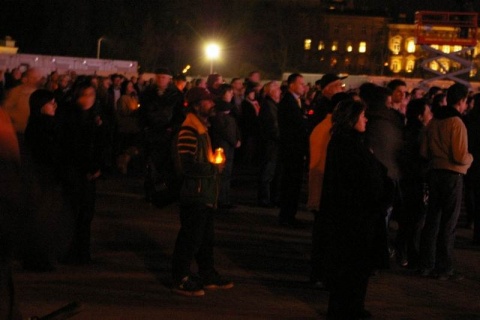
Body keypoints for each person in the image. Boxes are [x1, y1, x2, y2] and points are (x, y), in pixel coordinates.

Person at [320, 100, 390, 320]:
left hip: (357, 215)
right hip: (354, 217)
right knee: (351, 267)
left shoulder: (350, 142)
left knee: (355, 268)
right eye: (362, 116)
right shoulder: (347, 145)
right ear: (351, 119)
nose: (366, 120)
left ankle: (352, 307)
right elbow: (360, 180)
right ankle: (346, 309)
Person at [171, 87, 233, 297]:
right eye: (207, 102)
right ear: (197, 105)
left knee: (206, 239)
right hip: (194, 194)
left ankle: (207, 273)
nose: (212, 104)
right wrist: (214, 168)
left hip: (205, 193)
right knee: (190, 238)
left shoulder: (201, 127)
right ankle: (180, 277)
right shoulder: (189, 129)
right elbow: (186, 166)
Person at [419, 83, 473, 280]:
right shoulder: (456, 123)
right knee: (448, 223)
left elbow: (424, 151)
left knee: (432, 220)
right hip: (452, 175)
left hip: (435, 172)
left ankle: (426, 263)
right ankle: (444, 266)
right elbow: (460, 155)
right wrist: (470, 158)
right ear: (461, 101)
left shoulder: (434, 121)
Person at [58, 77, 105, 265]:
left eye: (91, 95)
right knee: (73, 213)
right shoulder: (69, 117)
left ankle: (83, 252)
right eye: (84, 95)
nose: (87, 99)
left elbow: (100, 145)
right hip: (73, 172)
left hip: (89, 174)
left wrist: (98, 167)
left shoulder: (96, 117)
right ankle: (69, 251)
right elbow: (69, 147)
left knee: (86, 214)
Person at [397, 98, 432, 268]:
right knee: (416, 219)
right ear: (420, 116)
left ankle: (402, 252)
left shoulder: (405, 130)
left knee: (407, 220)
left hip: (407, 179)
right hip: (415, 179)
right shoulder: (420, 133)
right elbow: (421, 157)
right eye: (428, 112)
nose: (430, 115)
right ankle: (411, 254)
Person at [277, 73, 309, 227]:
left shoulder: (297, 101)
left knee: (294, 184)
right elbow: (293, 127)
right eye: (301, 84)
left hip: (295, 149)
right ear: (291, 85)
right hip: (291, 149)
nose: (304, 87)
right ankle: (287, 216)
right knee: (290, 184)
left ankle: (289, 214)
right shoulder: (287, 103)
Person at [209, 83, 241, 210]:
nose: (232, 94)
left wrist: (238, 138)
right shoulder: (218, 109)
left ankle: (225, 198)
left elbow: (235, 124)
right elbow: (223, 128)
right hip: (222, 145)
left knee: (227, 172)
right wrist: (234, 140)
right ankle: (220, 199)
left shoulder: (230, 109)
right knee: (222, 172)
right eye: (229, 92)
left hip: (229, 144)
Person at [257, 81, 281, 207]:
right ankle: (264, 199)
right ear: (271, 91)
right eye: (277, 88)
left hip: (272, 145)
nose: (280, 91)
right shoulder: (268, 106)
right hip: (270, 145)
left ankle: (270, 197)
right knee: (267, 173)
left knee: (271, 172)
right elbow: (272, 126)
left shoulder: (272, 105)